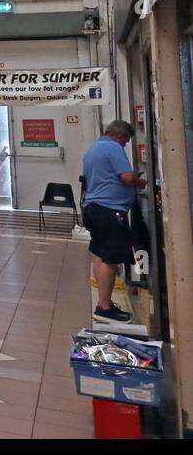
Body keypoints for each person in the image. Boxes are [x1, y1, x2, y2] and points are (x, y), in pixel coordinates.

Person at [81, 120, 144, 323]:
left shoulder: (93, 150)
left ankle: (102, 303)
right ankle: (105, 308)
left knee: (99, 255)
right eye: (126, 141)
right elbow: (126, 177)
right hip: (109, 210)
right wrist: (142, 181)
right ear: (121, 136)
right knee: (111, 257)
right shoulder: (113, 147)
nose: (125, 145)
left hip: (93, 208)